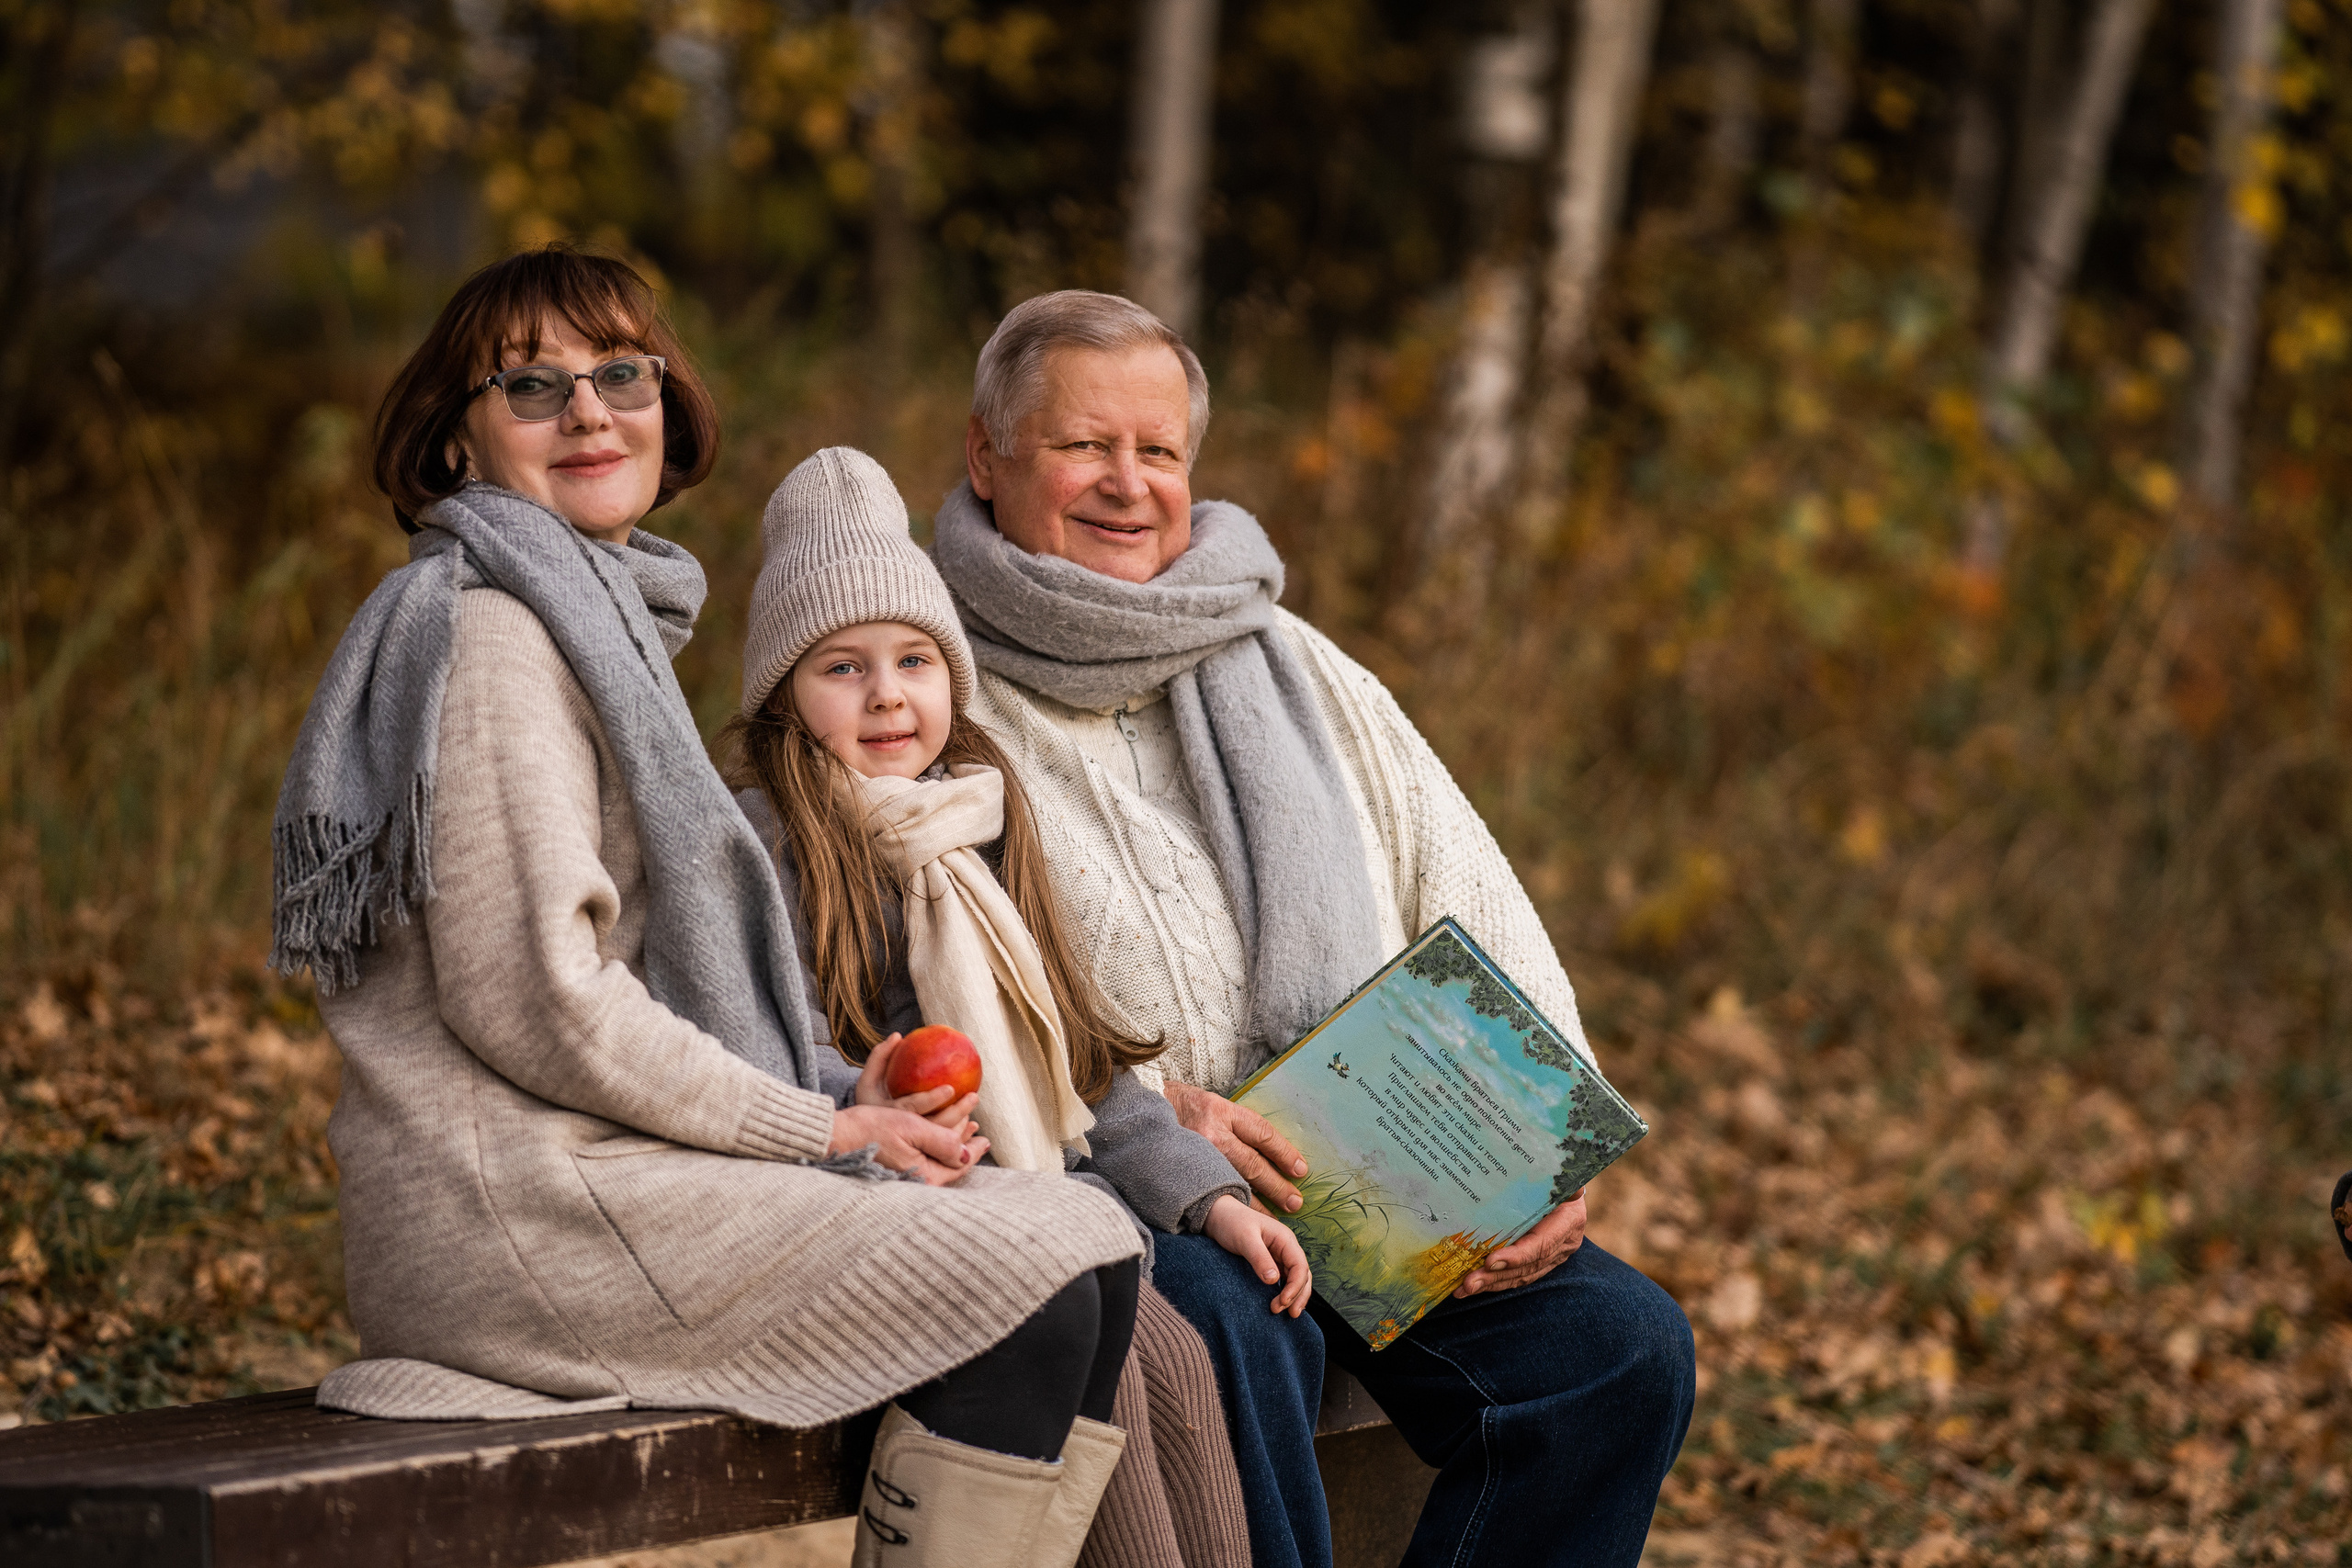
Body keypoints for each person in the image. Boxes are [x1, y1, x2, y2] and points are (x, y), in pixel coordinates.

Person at [271, 247, 1143, 1568]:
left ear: (667, 404)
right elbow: (535, 998)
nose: (588, 412)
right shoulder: (497, 637)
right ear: (455, 438)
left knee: (1085, 1245)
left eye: (621, 374)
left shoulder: (585, 620)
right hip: (515, 1209)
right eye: (532, 386)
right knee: (1038, 1271)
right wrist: (816, 1124)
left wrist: (849, 1097)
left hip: (593, 1172)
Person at [928, 289, 1700, 1568]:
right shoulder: (923, 680)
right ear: (985, 455)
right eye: (1082, 447)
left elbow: (1465, 883)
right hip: (1126, 1185)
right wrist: (1137, 1114)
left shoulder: (1291, 660)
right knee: (1234, 1313)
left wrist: (1542, 1153)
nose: (1128, 484)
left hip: (1369, 1172)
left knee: (1613, 1345)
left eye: (1159, 451)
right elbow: (898, 976)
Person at [723, 444, 1303, 1568]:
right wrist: (869, 1098)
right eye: (842, 667)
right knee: (1124, 1369)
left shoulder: (981, 820)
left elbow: (1075, 1061)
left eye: (913, 660)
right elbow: (761, 1048)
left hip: (1053, 1191)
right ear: (783, 695)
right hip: (899, 1193)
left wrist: (1207, 1199)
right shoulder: (766, 841)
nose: (888, 693)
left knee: (1183, 1363)